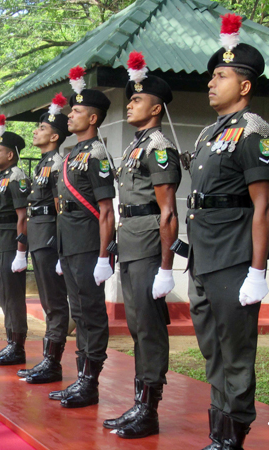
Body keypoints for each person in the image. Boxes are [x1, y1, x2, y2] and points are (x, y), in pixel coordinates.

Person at [185, 14, 269, 450]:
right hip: (203, 255)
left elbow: (263, 205)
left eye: (220, 76)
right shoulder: (208, 134)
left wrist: (257, 272)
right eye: (211, 76)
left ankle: (233, 436)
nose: (211, 83)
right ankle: (218, 431)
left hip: (234, 255)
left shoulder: (256, 131)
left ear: (244, 85)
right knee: (212, 347)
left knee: (235, 350)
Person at [102, 51, 181, 439]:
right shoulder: (136, 146)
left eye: (137, 99)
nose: (130, 104)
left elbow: (168, 211)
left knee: (149, 327)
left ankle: (149, 410)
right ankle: (139, 403)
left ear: (156, 107)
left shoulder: (159, 146)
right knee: (136, 325)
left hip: (149, 244)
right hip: (131, 242)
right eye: (130, 99)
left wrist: (166, 268)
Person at [48, 66, 115, 408]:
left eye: (76, 111)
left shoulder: (97, 155)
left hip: (89, 246)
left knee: (91, 313)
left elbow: (106, 210)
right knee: (79, 311)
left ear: (92, 118)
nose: (69, 116)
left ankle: (90, 382)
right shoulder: (72, 154)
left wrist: (104, 256)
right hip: (70, 245)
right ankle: (81, 377)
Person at [16, 93, 72, 384]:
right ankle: (48, 359)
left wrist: (61, 247)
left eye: (42, 128)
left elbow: (61, 208)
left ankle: (53, 362)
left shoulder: (58, 162)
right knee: (48, 301)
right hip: (39, 236)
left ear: (55, 136)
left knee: (55, 302)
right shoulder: (42, 164)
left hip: (50, 237)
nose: (36, 132)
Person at [0, 115, 31, 366]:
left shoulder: (17, 176)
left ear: (10, 154)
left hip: (10, 244)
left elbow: (23, 216)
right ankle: (11, 342)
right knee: (4, 295)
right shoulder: (3, 177)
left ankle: (18, 346)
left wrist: (21, 252)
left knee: (13, 296)